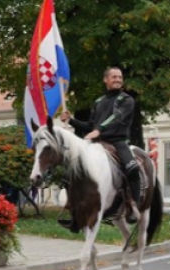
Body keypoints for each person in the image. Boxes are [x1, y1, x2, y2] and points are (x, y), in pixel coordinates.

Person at [60, 67, 141, 224]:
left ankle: (133, 205)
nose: (118, 79)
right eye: (114, 77)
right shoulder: (99, 102)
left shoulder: (127, 100)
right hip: (97, 143)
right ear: (106, 80)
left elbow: (117, 118)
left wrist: (99, 130)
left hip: (118, 142)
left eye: (120, 77)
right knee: (72, 167)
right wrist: (71, 120)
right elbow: (90, 125)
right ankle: (74, 208)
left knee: (133, 168)